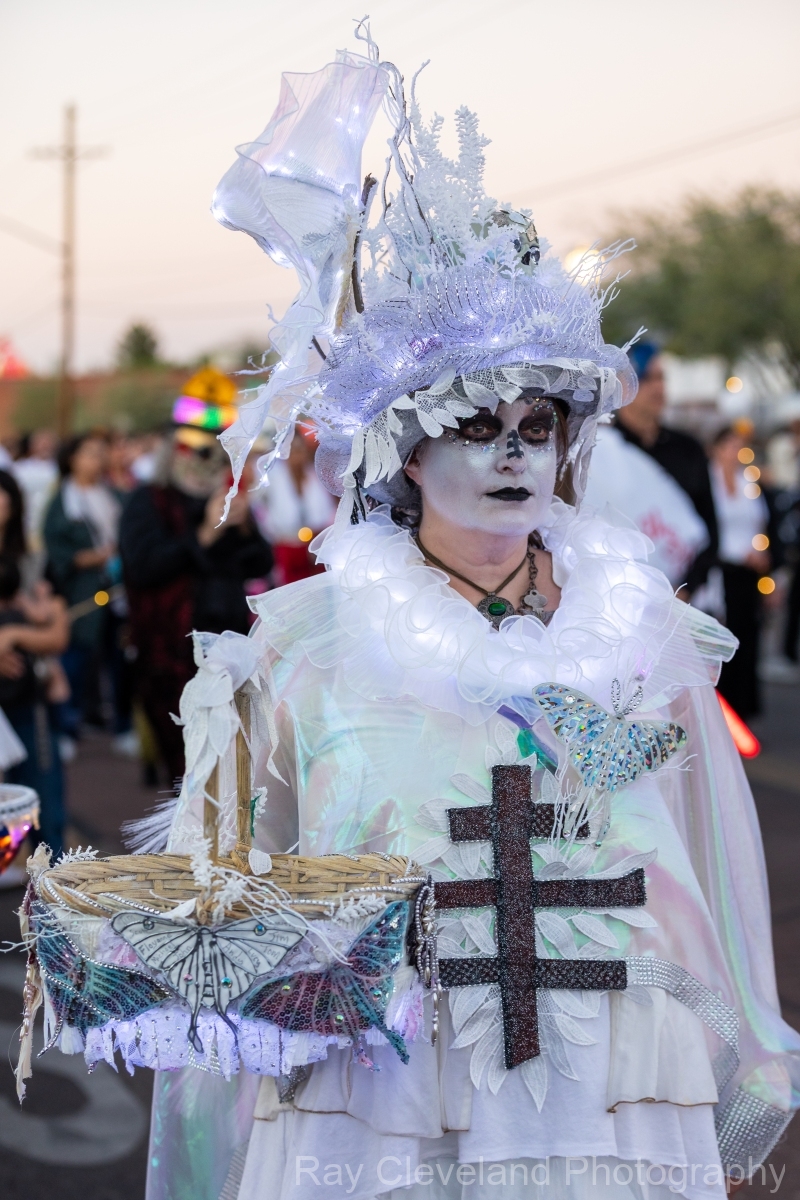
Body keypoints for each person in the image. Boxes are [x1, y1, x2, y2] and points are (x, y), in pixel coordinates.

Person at [144, 37, 799, 1200]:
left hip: (615, 1080)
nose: (512, 455)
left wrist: (736, 1066)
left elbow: (706, 870)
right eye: (475, 427)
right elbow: (235, 892)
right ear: (406, 451)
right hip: (385, 1085)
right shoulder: (307, 644)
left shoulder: (639, 633)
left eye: (536, 429)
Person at [119, 421, 273, 784]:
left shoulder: (223, 497)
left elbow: (259, 563)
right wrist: (204, 534)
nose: (210, 464)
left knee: (236, 760)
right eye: (202, 452)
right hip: (173, 652)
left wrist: (243, 527)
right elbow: (144, 567)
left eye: (219, 455)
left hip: (228, 641)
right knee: (189, 767)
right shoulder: (149, 501)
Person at [614, 344, 718, 596]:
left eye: (662, 378)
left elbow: (710, 528)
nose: (659, 388)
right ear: (622, 384)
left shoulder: (688, 449)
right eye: (647, 378)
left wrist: (686, 589)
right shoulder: (602, 448)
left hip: (685, 598)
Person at [43, 432, 120, 746]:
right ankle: (68, 725)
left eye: (100, 453)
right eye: (89, 453)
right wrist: (91, 557)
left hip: (116, 589)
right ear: (72, 459)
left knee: (118, 655)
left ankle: (120, 724)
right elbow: (56, 549)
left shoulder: (112, 494)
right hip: (82, 592)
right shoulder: (63, 501)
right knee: (76, 657)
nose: (96, 460)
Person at [0, 555, 69, 856]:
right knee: (37, 800)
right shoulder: (23, 618)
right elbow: (56, 635)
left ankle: (28, 862)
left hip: (27, 715)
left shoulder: (19, 621)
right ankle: (48, 867)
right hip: (29, 715)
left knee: (22, 799)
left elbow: (56, 636)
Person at [709, 427, 770, 718]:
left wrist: (759, 552)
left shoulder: (747, 481)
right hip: (721, 570)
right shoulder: (709, 482)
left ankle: (743, 707)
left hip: (748, 571)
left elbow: (758, 522)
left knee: (748, 637)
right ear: (717, 449)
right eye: (730, 446)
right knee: (723, 634)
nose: (735, 453)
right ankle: (722, 706)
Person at [250, 426, 338, 585]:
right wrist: (272, 533)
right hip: (287, 548)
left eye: (300, 449)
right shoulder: (273, 478)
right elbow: (258, 508)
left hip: (315, 548)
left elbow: (329, 511)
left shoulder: (315, 476)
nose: (297, 455)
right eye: (291, 449)